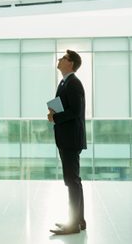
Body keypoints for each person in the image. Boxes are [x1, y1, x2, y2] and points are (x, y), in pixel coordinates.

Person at [47, 49, 87, 235]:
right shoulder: (64, 82)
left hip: (71, 139)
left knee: (72, 181)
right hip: (66, 137)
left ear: (70, 63)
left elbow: (75, 111)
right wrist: (53, 112)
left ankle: (74, 224)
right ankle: (78, 220)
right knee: (72, 181)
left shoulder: (74, 83)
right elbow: (62, 105)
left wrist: (56, 118)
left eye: (63, 58)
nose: (59, 59)